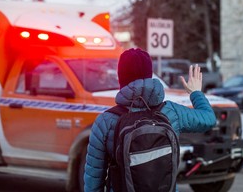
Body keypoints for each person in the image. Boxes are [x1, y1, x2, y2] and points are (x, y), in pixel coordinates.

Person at [83, 48, 216, 191]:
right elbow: (208, 119)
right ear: (150, 75)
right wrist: (195, 93)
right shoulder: (171, 112)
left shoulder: (105, 121)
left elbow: (94, 179)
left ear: (120, 76)